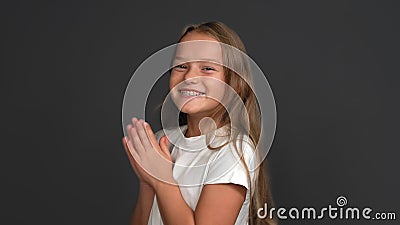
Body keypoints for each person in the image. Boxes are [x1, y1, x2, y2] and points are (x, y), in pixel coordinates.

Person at [122, 21, 276, 225]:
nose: (189, 76)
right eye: (181, 66)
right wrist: (147, 182)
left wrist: (161, 179)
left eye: (207, 68)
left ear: (234, 83)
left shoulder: (232, 151)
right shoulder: (163, 141)